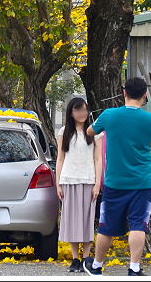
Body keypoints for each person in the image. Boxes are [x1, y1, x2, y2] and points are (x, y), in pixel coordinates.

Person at [82, 77, 151, 277]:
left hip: (115, 182)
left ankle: (97, 265)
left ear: (124, 93)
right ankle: (134, 268)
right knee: (138, 224)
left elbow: (90, 131)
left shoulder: (109, 115)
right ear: (145, 95)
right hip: (143, 182)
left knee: (107, 225)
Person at [55, 97, 103, 272]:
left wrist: (98, 184)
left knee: (87, 221)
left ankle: (86, 258)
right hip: (69, 180)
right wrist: (58, 183)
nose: (82, 114)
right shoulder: (64, 132)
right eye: (78, 110)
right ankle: (75, 259)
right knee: (73, 221)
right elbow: (60, 158)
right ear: (71, 112)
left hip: (89, 181)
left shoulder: (95, 131)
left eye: (84, 110)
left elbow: (98, 160)